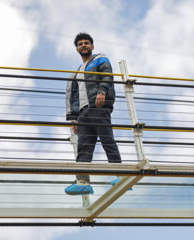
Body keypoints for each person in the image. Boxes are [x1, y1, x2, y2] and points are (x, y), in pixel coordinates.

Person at [65, 32, 122, 195]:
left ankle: (120, 175)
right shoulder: (76, 72)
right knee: (84, 147)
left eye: (86, 43)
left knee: (107, 141)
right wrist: (73, 119)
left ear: (92, 46)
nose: (83, 45)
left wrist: (102, 91)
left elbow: (107, 76)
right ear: (76, 49)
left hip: (98, 107)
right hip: (83, 114)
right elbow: (73, 97)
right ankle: (82, 181)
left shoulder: (100, 59)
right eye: (80, 44)